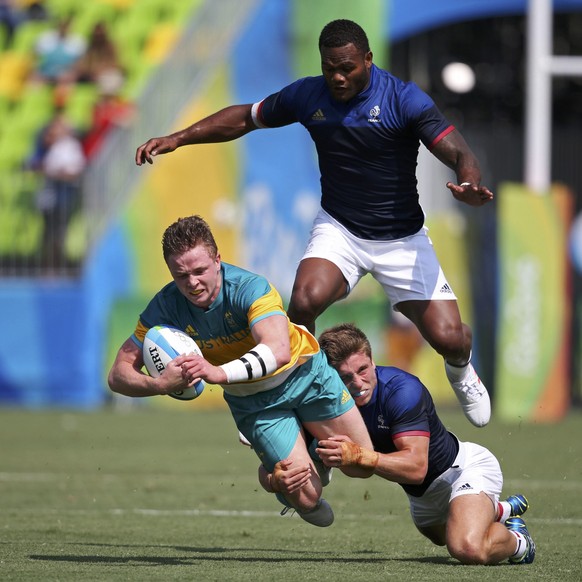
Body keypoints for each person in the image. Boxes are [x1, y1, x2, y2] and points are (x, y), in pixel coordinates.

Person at [134, 19, 493, 428]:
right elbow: (243, 118)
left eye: (347, 68)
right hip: (340, 228)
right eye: (329, 68)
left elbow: (459, 151)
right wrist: (179, 137)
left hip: (401, 239)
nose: (337, 77)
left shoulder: (404, 99)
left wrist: (468, 183)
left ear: (368, 60)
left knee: (449, 338)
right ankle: (299, 397)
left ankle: (462, 369)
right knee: (303, 300)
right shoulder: (309, 94)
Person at [107, 215, 375, 527]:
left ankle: (308, 442)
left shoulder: (250, 287)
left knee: (361, 463)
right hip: (254, 402)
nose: (192, 283)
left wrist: (217, 373)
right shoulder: (164, 307)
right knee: (308, 499)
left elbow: (277, 351)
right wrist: (160, 384)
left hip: (305, 375)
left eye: (199, 271)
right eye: (181, 275)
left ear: (217, 260)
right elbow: (118, 374)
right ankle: (281, 475)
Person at [260, 323, 535, 565]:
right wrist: (275, 480)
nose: (358, 383)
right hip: (422, 496)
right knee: (442, 536)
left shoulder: (402, 390)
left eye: (363, 370)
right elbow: (267, 468)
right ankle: (500, 510)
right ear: (330, 378)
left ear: (372, 360)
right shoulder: (318, 403)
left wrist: (359, 455)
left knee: (466, 546)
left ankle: (518, 542)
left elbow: (416, 468)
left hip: (462, 470)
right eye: (345, 377)